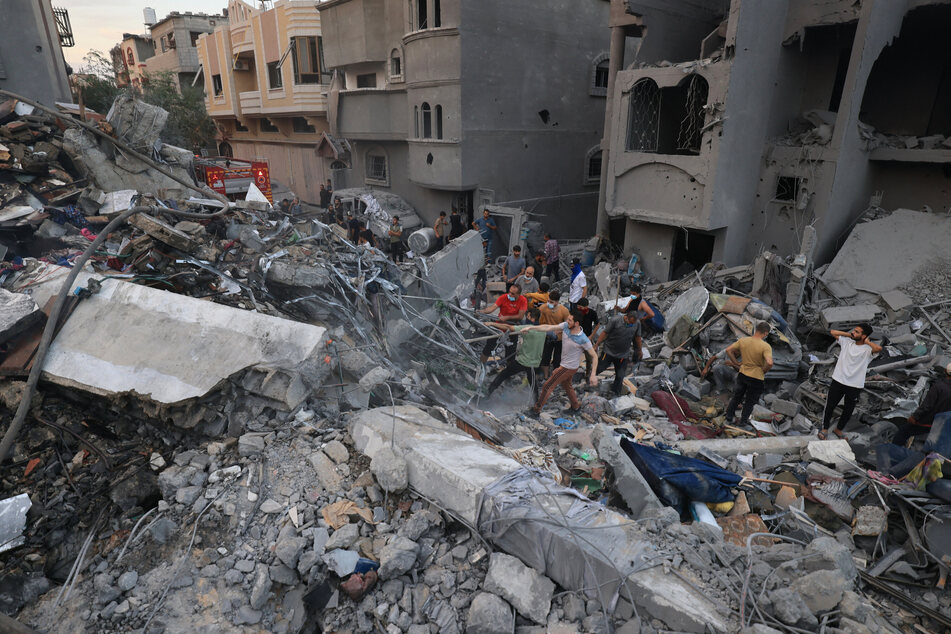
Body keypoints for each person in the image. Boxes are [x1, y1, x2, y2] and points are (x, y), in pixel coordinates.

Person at [527, 310, 598, 415]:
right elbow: (548, 327)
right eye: (567, 319)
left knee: (547, 385)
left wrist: (593, 375)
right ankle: (575, 407)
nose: (567, 321)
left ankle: (536, 410)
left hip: (567, 368)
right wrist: (531, 327)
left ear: (577, 323)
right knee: (567, 385)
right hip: (568, 365)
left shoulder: (583, 339)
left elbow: (594, 356)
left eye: (570, 320)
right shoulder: (566, 326)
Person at [819, 324, 882, 439]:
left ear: (864, 336)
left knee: (848, 410)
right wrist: (852, 335)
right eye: (854, 330)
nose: (853, 332)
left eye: (857, 332)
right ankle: (824, 429)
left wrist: (867, 342)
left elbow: (879, 349)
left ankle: (839, 430)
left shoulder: (868, 350)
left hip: (854, 385)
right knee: (830, 406)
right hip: (838, 380)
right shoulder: (847, 342)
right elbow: (833, 332)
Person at [485, 308, 545, 400]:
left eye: (527, 316)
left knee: (503, 375)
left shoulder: (527, 328)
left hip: (524, 361)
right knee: (533, 384)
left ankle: (487, 395)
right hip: (535, 363)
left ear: (532, 318)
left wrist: (492, 323)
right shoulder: (543, 329)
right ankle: (536, 404)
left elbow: (509, 328)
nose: (526, 318)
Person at [724, 321, 774, 427]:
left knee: (736, 397)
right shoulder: (765, 346)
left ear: (756, 330)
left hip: (743, 374)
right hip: (756, 378)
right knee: (749, 401)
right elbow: (769, 362)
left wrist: (735, 362)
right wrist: (764, 370)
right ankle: (742, 422)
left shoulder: (743, 340)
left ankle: (728, 417)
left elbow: (728, 350)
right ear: (765, 333)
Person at [893, 363, 951, 446]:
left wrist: (914, 417)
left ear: (945, 371)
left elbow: (927, 406)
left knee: (903, 432)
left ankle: (893, 453)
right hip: (941, 425)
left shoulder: (938, 387)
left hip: (926, 422)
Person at [595, 309, 643, 396]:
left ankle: (615, 393)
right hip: (608, 351)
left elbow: (637, 337)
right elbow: (605, 333)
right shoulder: (615, 320)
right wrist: (597, 344)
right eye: (630, 322)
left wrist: (639, 350)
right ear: (626, 318)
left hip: (623, 355)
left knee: (620, 375)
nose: (632, 324)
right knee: (600, 368)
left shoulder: (637, 323)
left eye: (633, 323)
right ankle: (589, 381)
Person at [478, 283, 527, 364]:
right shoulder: (503, 297)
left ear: (518, 294)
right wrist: (481, 312)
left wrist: (507, 317)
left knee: (511, 350)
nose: (510, 294)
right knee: (488, 346)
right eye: (509, 292)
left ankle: (509, 368)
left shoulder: (523, 300)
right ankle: (480, 365)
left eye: (513, 294)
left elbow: (520, 316)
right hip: (499, 326)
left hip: (511, 328)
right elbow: (492, 308)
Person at [538, 289, 570, 379]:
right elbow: (540, 321)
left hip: (559, 338)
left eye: (551, 302)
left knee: (557, 359)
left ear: (557, 302)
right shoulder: (544, 308)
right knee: (545, 357)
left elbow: (568, 325)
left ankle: (555, 376)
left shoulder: (564, 311)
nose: (549, 303)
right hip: (548, 336)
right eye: (548, 301)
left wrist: (559, 331)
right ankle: (545, 376)